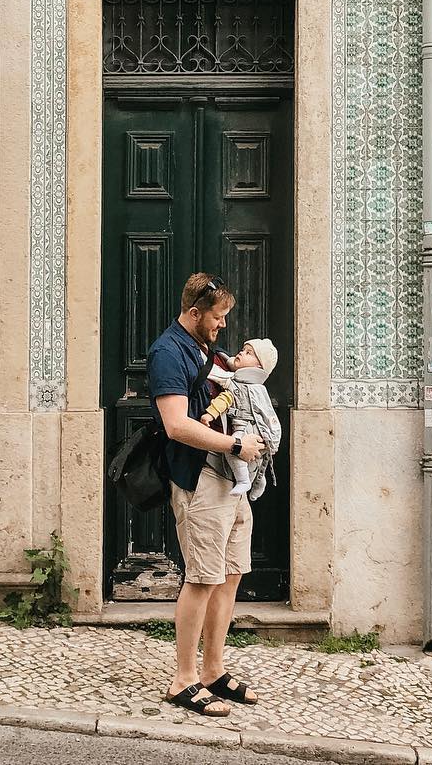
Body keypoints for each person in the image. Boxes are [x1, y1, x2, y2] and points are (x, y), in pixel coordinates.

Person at [147, 272, 266, 718]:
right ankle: (184, 678)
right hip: (200, 480)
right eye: (217, 317)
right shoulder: (168, 352)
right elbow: (177, 424)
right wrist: (236, 445)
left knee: (230, 573)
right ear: (194, 312)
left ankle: (214, 670)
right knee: (202, 578)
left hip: (230, 482)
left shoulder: (204, 349)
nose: (221, 325)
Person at [200, 339, 281, 498]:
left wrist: (271, 437)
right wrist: (210, 414)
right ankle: (255, 480)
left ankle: (245, 481)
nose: (241, 353)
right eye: (243, 349)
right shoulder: (237, 383)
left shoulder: (250, 386)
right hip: (245, 428)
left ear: (259, 367)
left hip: (254, 430)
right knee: (238, 447)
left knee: (235, 448)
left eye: (249, 353)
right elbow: (224, 400)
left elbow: (268, 413)